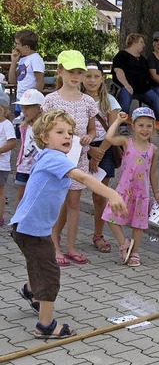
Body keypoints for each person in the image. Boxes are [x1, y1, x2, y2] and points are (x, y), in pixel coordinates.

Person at [11, 109, 126, 339]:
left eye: (70, 132)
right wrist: (111, 194)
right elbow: (82, 178)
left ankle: (31, 290)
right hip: (31, 229)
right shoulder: (54, 158)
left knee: (39, 263)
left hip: (28, 227)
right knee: (50, 273)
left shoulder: (51, 157)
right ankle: (45, 325)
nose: (67, 136)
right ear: (44, 138)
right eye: (59, 132)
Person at [42, 50, 99, 267]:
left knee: (74, 204)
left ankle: (71, 247)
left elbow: (93, 130)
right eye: (70, 71)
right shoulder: (51, 100)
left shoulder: (87, 101)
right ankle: (53, 246)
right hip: (57, 161)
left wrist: (88, 137)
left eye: (79, 72)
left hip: (79, 160)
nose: (75, 76)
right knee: (56, 203)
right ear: (60, 71)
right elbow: (42, 132)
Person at [101, 108, 159, 267]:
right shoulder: (127, 142)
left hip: (142, 193)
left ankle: (134, 253)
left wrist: (157, 192)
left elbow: (153, 173)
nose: (145, 129)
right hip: (123, 191)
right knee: (110, 217)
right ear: (133, 126)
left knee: (138, 224)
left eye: (149, 126)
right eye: (141, 125)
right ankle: (124, 244)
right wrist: (118, 121)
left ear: (153, 128)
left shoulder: (153, 149)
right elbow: (109, 137)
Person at [81, 59, 121, 253]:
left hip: (104, 148)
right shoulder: (77, 99)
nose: (91, 80)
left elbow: (112, 130)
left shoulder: (110, 101)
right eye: (88, 76)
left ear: (102, 79)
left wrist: (99, 153)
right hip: (80, 148)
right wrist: (89, 151)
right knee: (71, 194)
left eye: (96, 76)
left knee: (100, 195)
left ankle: (98, 234)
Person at [112, 33, 159, 119]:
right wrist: (127, 85)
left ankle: (155, 122)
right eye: (141, 42)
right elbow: (118, 71)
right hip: (127, 86)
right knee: (125, 97)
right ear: (134, 43)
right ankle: (122, 124)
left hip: (142, 89)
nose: (144, 45)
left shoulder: (142, 59)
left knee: (155, 98)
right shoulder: (122, 55)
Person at [13, 89, 45, 207]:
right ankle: (17, 224)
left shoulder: (45, 127)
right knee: (21, 197)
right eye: (22, 107)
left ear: (38, 108)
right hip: (24, 167)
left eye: (27, 107)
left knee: (36, 198)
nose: (24, 111)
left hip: (38, 167)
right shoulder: (24, 126)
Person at [8, 30, 45, 124]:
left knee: (29, 127)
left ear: (26, 47)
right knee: (19, 128)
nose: (16, 47)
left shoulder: (36, 59)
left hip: (29, 102)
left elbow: (40, 82)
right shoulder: (22, 59)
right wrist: (14, 62)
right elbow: (12, 80)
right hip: (19, 99)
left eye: (17, 44)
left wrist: (34, 101)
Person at [0, 95, 16, 226]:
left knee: (0, 191)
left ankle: (0, 217)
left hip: (1, 164)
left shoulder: (7, 125)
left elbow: (12, 143)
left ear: (5, 110)